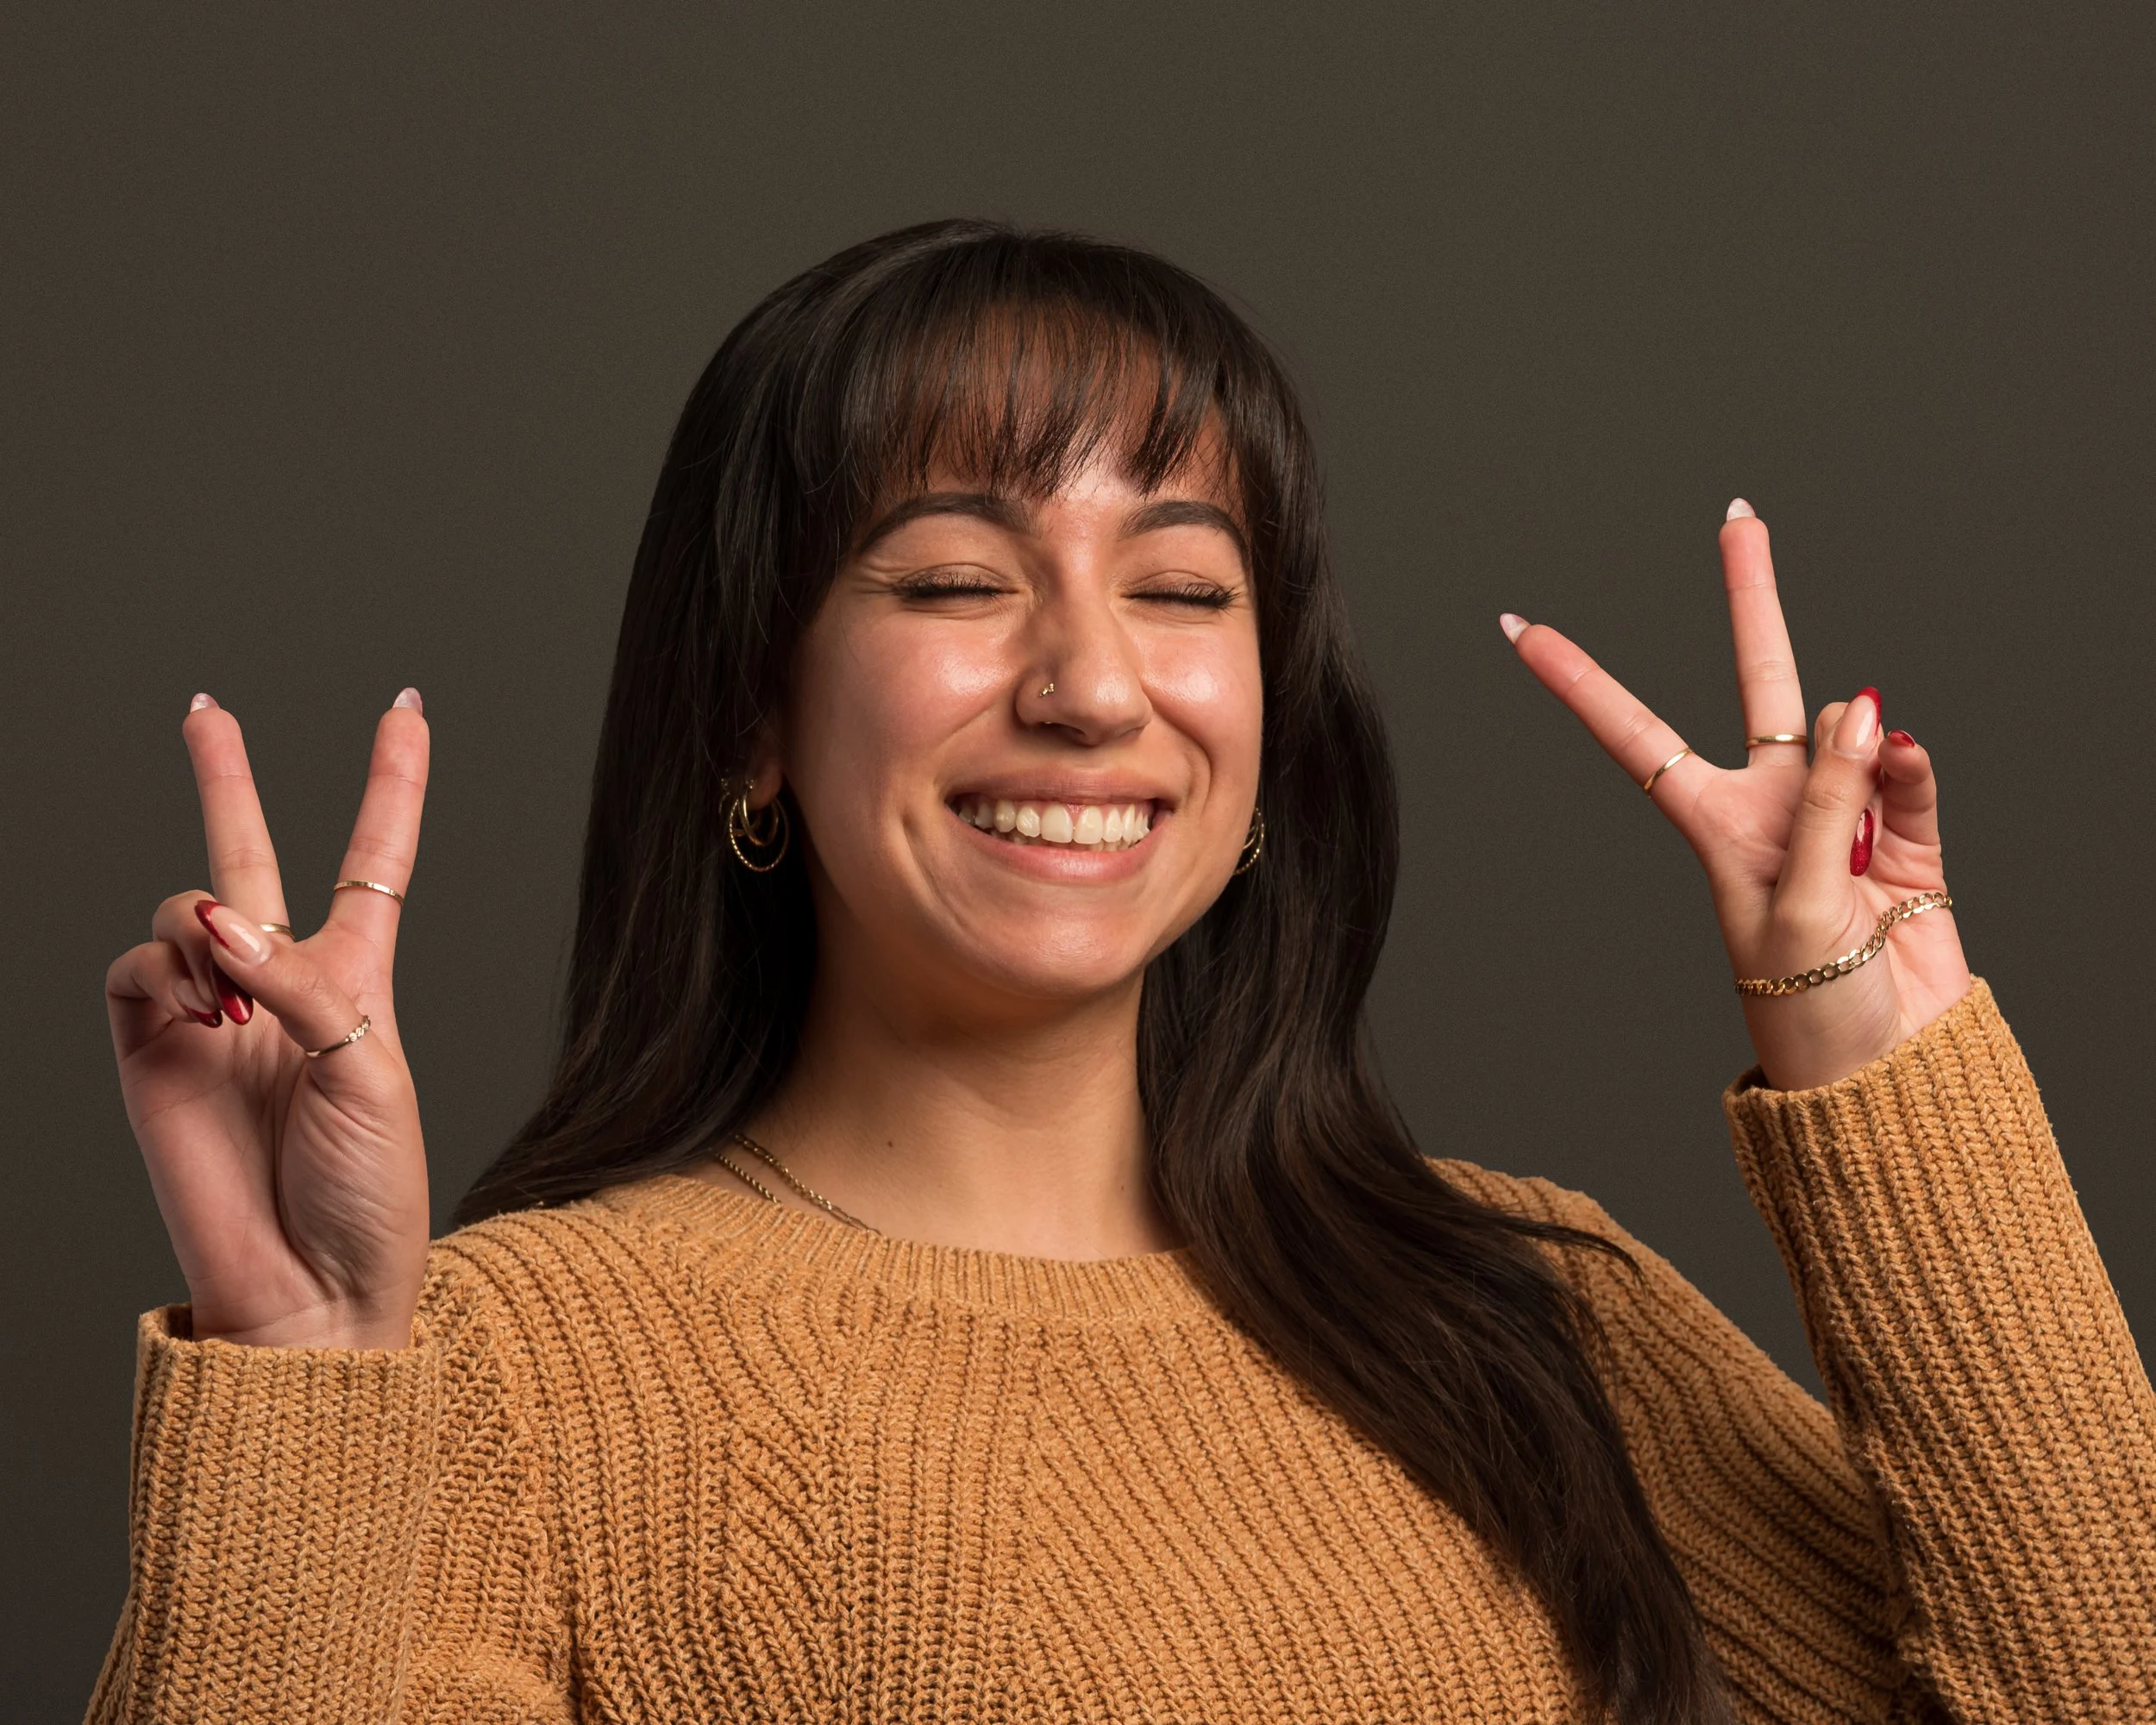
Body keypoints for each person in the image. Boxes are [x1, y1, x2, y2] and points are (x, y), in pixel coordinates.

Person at [88, 220, 2153, 1725]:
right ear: (750, 717)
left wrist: (1877, 1060)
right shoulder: (513, 1379)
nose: (1088, 685)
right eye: (954, 579)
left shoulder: (1528, 1318)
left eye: (1178, 587)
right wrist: (309, 1378)